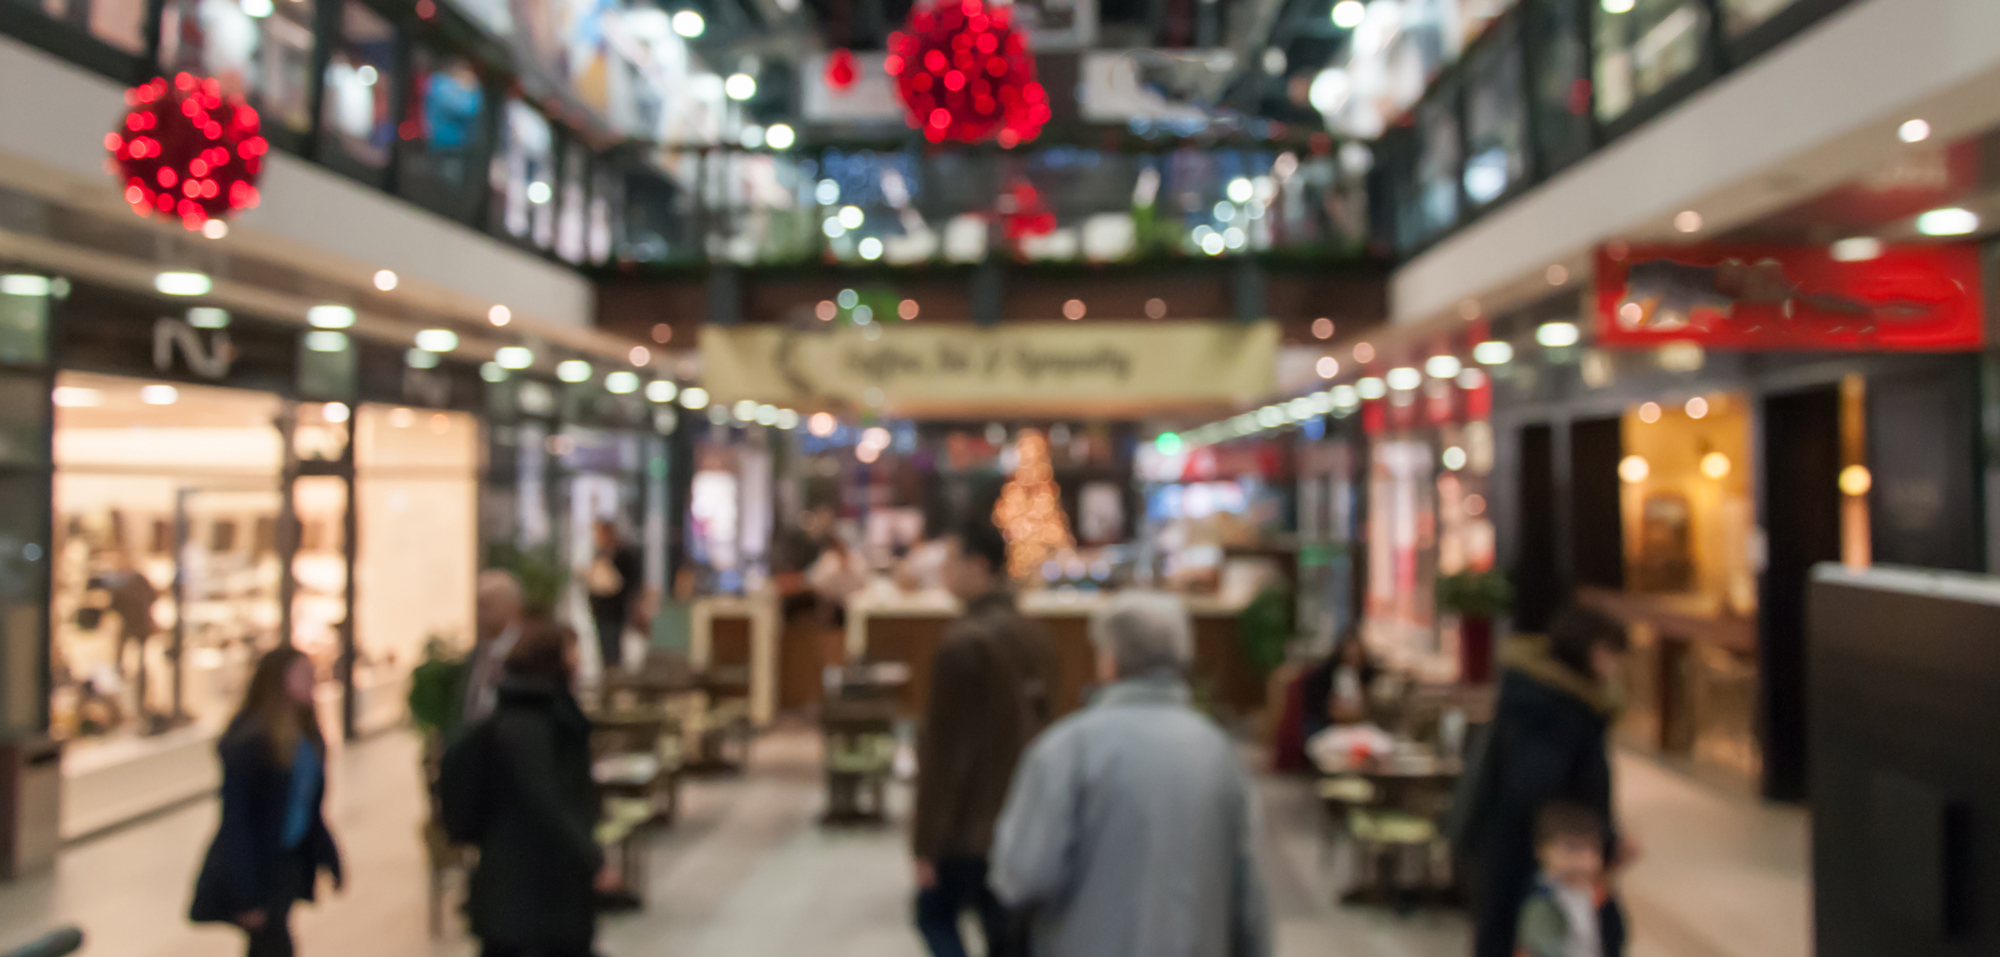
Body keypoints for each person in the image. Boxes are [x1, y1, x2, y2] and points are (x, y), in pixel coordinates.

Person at [990, 591, 1272, 957]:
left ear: (1109, 661)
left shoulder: (1066, 750)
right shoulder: (1219, 755)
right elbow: (1247, 896)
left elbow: (1021, 877)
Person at [911, 516, 1054, 957]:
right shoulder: (1035, 636)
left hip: (971, 824)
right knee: (1008, 936)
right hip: (1026, 813)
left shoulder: (963, 645)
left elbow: (945, 751)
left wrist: (926, 841)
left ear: (977, 566)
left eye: (951, 561)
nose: (944, 572)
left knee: (933, 914)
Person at [1458, 607, 1632, 957]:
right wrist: (1592, 843)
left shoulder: (1547, 697)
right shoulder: (1554, 709)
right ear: (1586, 649)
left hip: (1524, 852)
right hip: (1530, 858)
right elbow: (1536, 791)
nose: (1613, 665)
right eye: (1608, 652)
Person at [466, 618, 613, 957]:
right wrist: (592, 859)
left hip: (527, 894)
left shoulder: (527, 715)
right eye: (572, 654)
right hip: (531, 895)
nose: (578, 663)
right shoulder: (531, 725)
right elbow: (546, 798)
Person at [190, 645, 342, 957]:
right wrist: (246, 893)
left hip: (287, 858)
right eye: (302, 674)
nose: (311, 680)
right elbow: (237, 820)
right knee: (272, 944)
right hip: (261, 862)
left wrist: (328, 855)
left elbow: (308, 806)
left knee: (273, 940)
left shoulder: (304, 734)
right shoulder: (252, 741)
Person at [1515, 802, 1627, 957]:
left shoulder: (1599, 894)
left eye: (1592, 849)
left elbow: (1614, 939)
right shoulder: (1539, 900)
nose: (1583, 861)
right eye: (1571, 849)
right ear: (1540, 850)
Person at [461, 569, 525, 729]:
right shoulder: (480, 650)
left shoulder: (521, 650)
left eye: (485, 605)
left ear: (511, 606)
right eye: (476, 605)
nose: (478, 613)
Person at [1299, 631, 1381, 742]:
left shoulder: (1365, 678)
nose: (1352, 654)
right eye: (1349, 650)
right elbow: (1332, 711)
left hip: (1357, 728)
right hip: (1331, 726)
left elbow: (1365, 710)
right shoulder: (1329, 677)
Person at [586, 520, 643, 674]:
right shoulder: (599, 553)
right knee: (603, 648)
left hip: (615, 609)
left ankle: (614, 678)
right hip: (600, 609)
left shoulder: (623, 555)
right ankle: (608, 677)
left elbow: (631, 582)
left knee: (614, 647)